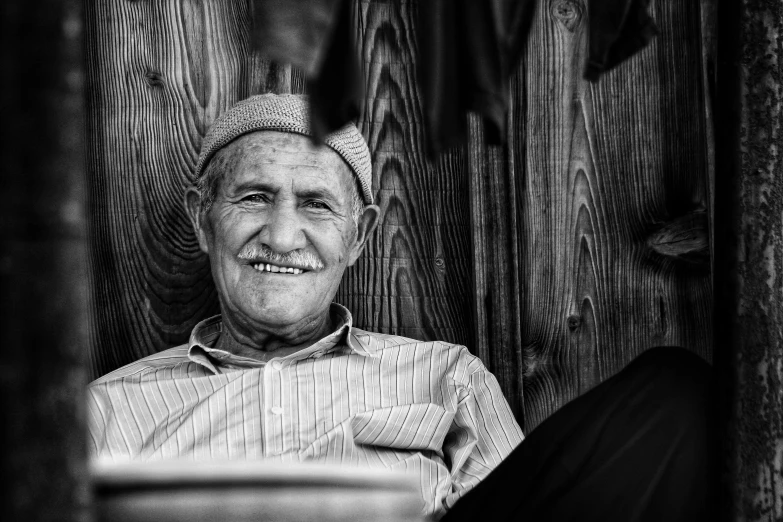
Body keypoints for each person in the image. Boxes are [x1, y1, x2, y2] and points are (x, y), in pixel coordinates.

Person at [87, 94, 714, 521]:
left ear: (358, 237)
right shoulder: (106, 410)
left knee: (673, 392)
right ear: (203, 221)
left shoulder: (446, 376)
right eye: (254, 197)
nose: (282, 236)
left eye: (315, 205)